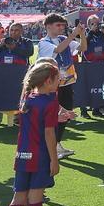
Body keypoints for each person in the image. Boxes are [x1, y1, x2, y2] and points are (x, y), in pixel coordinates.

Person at [2, 60, 60, 206]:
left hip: (22, 154)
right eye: (57, 79)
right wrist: (54, 159)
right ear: (48, 81)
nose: (59, 82)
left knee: (18, 197)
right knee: (35, 197)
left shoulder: (27, 97)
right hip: (40, 156)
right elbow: (49, 133)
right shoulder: (51, 101)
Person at [36, 14, 85, 160]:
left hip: (66, 82)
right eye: (58, 25)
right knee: (52, 115)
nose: (61, 28)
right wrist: (73, 34)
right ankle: (49, 146)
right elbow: (57, 50)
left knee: (66, 114)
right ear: (48, 26)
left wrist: (82, 34)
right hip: (50, 85)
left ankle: (56, 144)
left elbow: (83, 48)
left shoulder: (64, 38)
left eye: (63, 25)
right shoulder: (44, 42)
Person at [0, 23, 33, 127]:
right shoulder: (3, 42)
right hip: (2, 73)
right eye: (11, 30)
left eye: (16, 30)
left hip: (20, 73)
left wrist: (15, 47)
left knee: (20, 95)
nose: (13, 32)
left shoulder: (27, 42)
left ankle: (18, 118)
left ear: (21, 31)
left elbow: (29, 53)